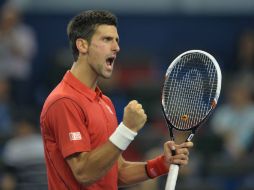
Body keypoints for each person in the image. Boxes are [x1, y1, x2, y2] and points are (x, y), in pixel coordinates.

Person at [40, 10, 193, 190]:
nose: (116, 47)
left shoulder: (105, 103)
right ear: (82, 45)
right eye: (106, 39)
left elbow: (116, 173)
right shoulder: (64, 101)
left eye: (117, 40)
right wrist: (127, 130)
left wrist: (161, 164)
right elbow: (84, 173)